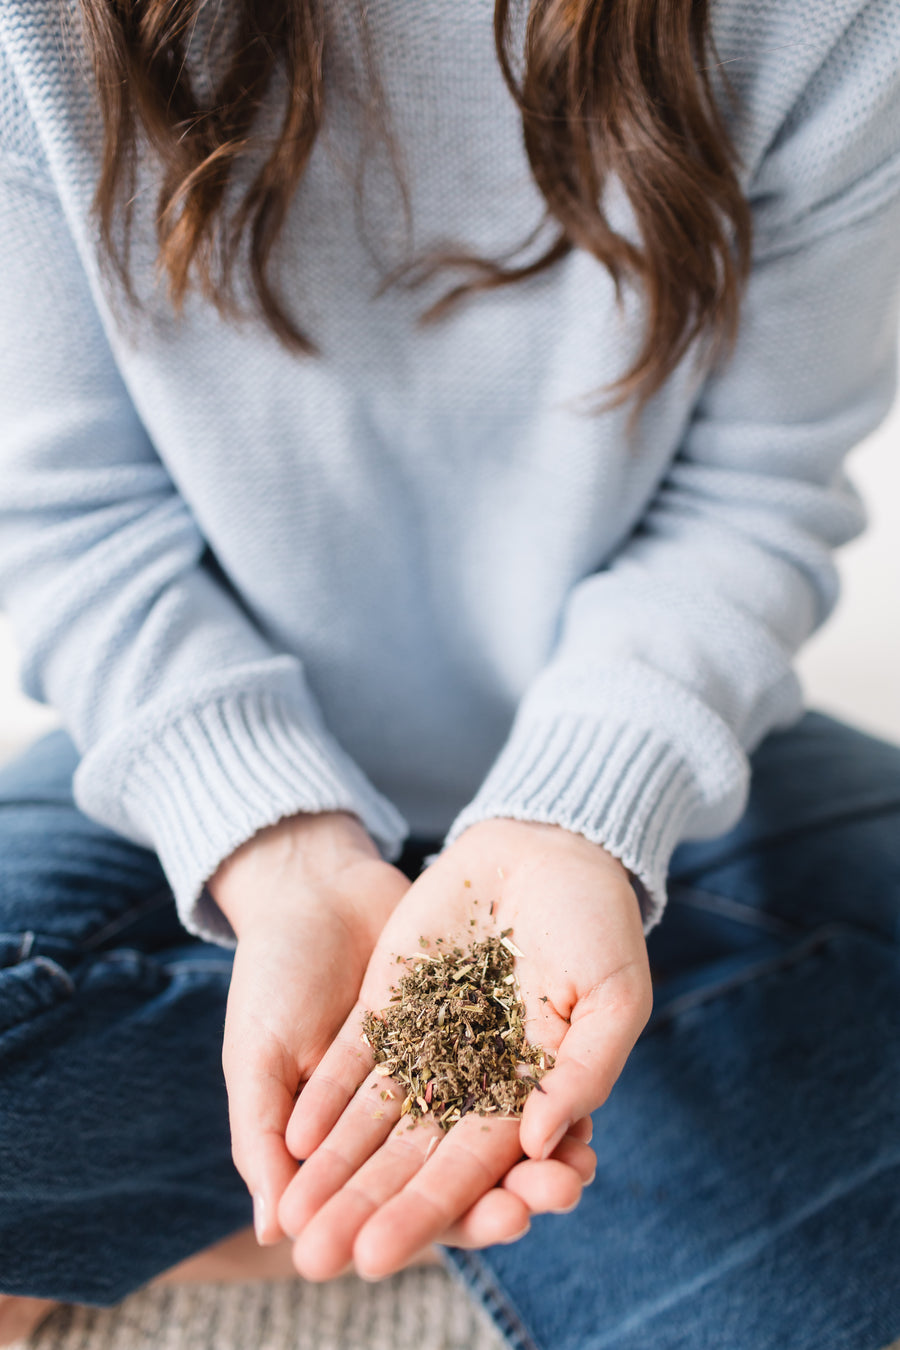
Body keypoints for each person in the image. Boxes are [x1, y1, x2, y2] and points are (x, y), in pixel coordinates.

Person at [1, 0, 899, 1346]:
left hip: (644, 762)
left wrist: (578, 819)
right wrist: (278, 849)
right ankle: (516, 1162)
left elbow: (752, 499)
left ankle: (271, 1188)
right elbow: (68, 519)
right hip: (201, 763)